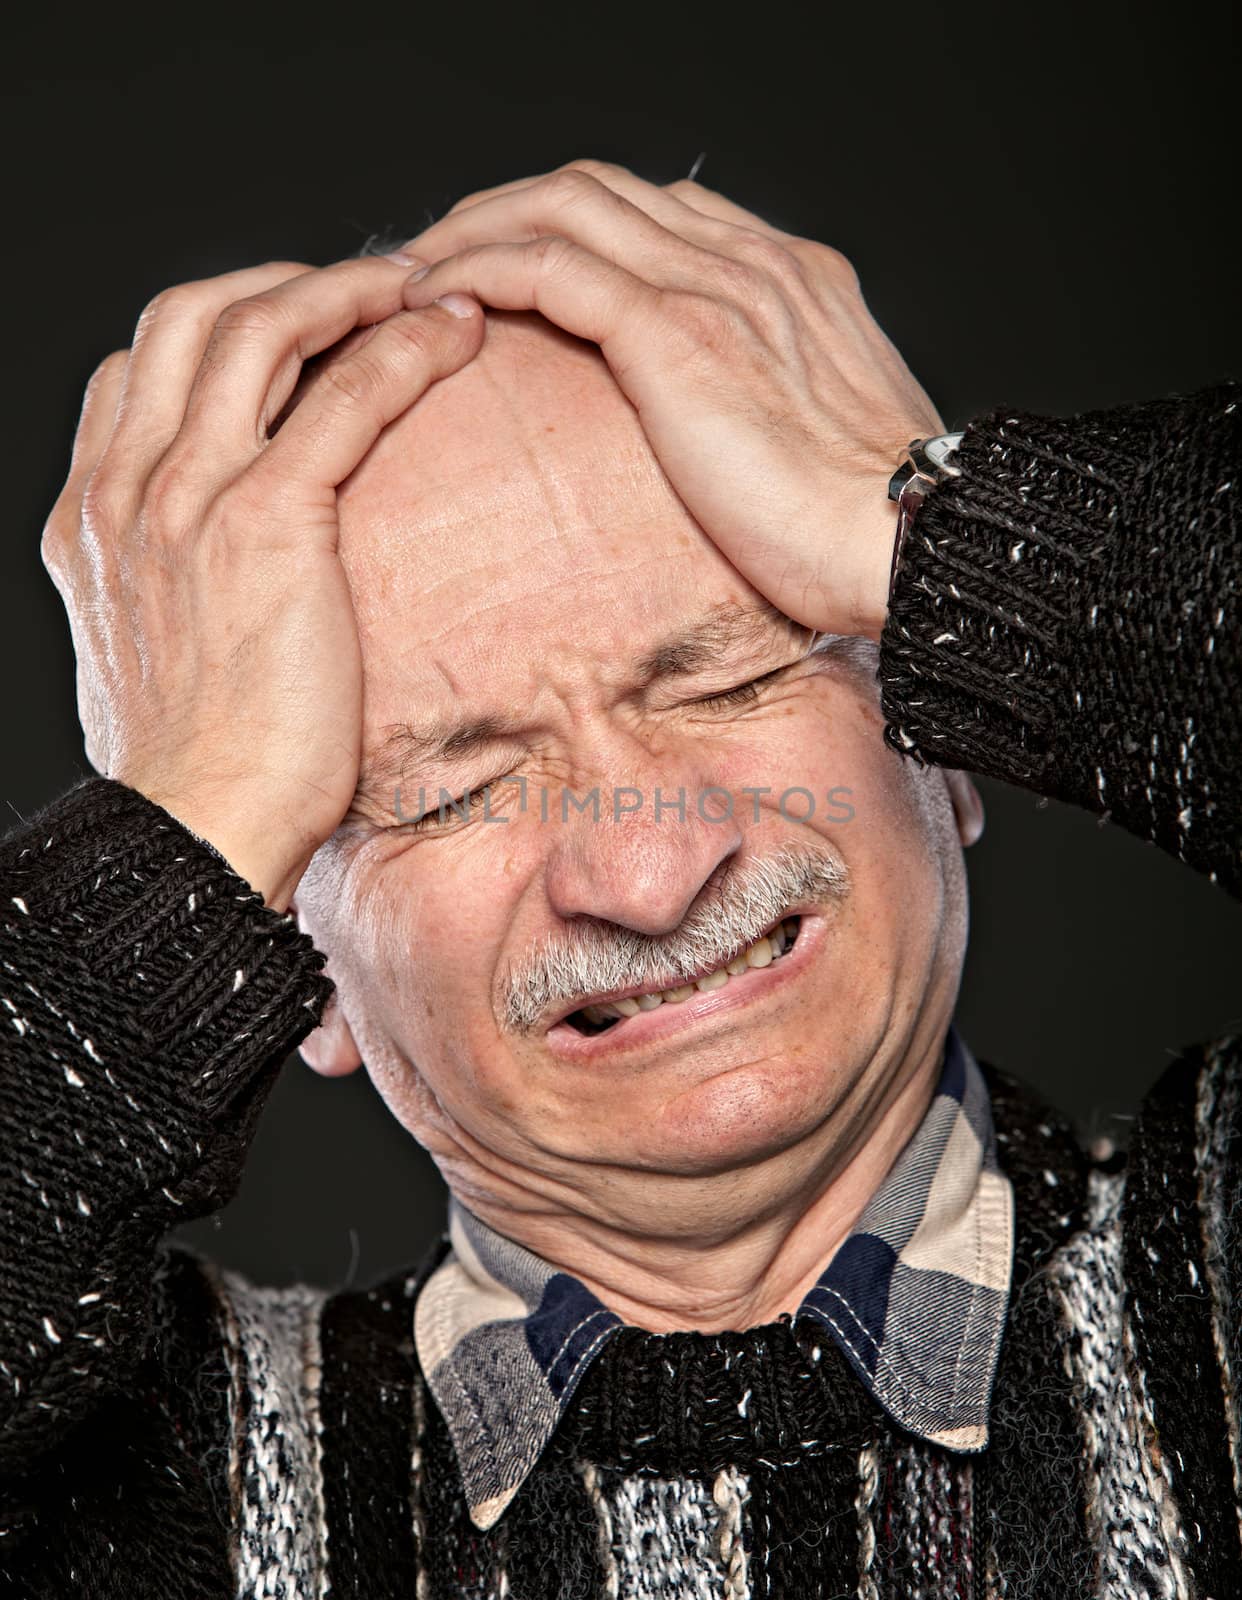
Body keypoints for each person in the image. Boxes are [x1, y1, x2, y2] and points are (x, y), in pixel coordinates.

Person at [0, 160, 1237, 1599]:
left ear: (951, 731)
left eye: (727, 677)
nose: (647, 875)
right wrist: (187, 826)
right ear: (279, 956)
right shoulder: (148, 1504)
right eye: (449, 789)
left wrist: (953, 530)